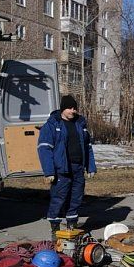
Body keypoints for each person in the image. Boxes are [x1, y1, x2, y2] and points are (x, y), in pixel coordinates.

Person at [37, 95, 96, 240]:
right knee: (59, 199)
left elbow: (88, 147)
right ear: (63, 108)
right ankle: (55, 230)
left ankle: (72, 228)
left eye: (75, 108)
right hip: (60, 169)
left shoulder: (80, 125)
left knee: (76, 198)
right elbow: (44, 148)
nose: (73, 111)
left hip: (77, 168)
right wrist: (49, 171)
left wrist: (91, 166)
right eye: (70, 108)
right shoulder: (52, 124)